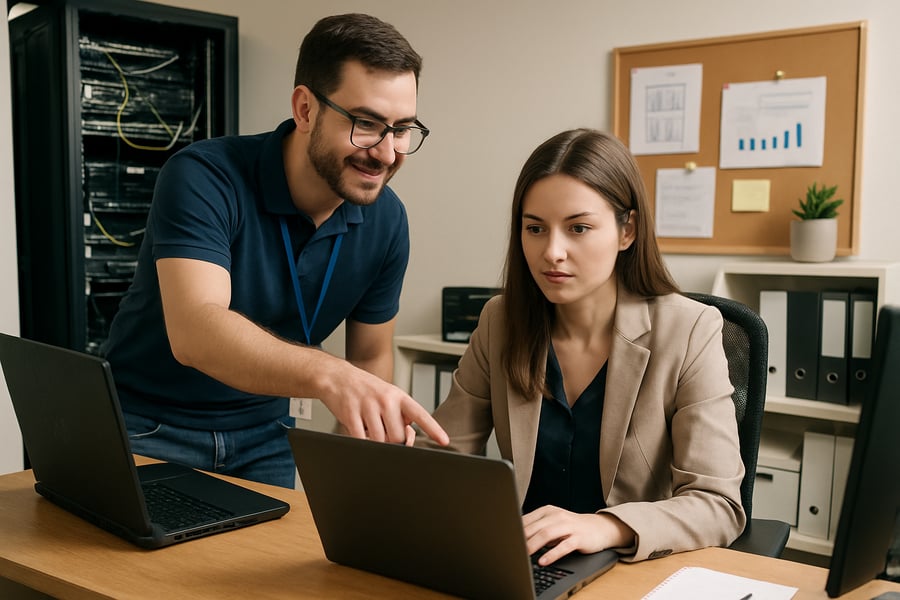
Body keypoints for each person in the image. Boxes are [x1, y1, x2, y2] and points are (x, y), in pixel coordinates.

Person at [102, 13, 448, 489]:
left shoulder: (388, 220)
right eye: (366, 124)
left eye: (403, 129)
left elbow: (368, 360)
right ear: (305, 110)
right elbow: (195, 330)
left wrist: (346, 469)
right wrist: (330, 374)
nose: (387, 153)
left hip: (266, 437)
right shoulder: (204, 176)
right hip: (148, 427)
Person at [420, 129, 745, 564]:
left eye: (578, 228)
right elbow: (445, 461)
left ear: (626, 230)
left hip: (627, 569)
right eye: (535, 228)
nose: (552, 251)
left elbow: (717, 504)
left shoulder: (689, 329)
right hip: (523, 564)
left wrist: (605, 526)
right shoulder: (501, 321)